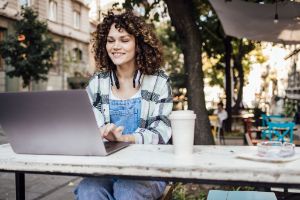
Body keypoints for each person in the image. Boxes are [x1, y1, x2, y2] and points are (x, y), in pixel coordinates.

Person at [74, 10, 173, 200]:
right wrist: (101, 133)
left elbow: (161, 133)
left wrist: (124, 139)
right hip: (106, 168)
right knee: (89, 190)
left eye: (124, 40)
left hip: (148, 169)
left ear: (138, 44)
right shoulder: (97, 83)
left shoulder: (158, 80)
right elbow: (90, 128)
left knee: (127, 190)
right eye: (111, 40)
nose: (116, 46)